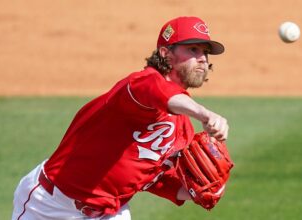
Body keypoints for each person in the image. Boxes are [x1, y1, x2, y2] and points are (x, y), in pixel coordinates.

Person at [12, 16, 229, 220]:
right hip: (50, 206)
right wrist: (205, 114)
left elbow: (153, 179)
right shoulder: (139, 86)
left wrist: (194, 191)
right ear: (165, 53)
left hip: (108, 213)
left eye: (205, 53)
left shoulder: (183, 130)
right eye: (193, 49)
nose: (202, 59)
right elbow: (159, 93)